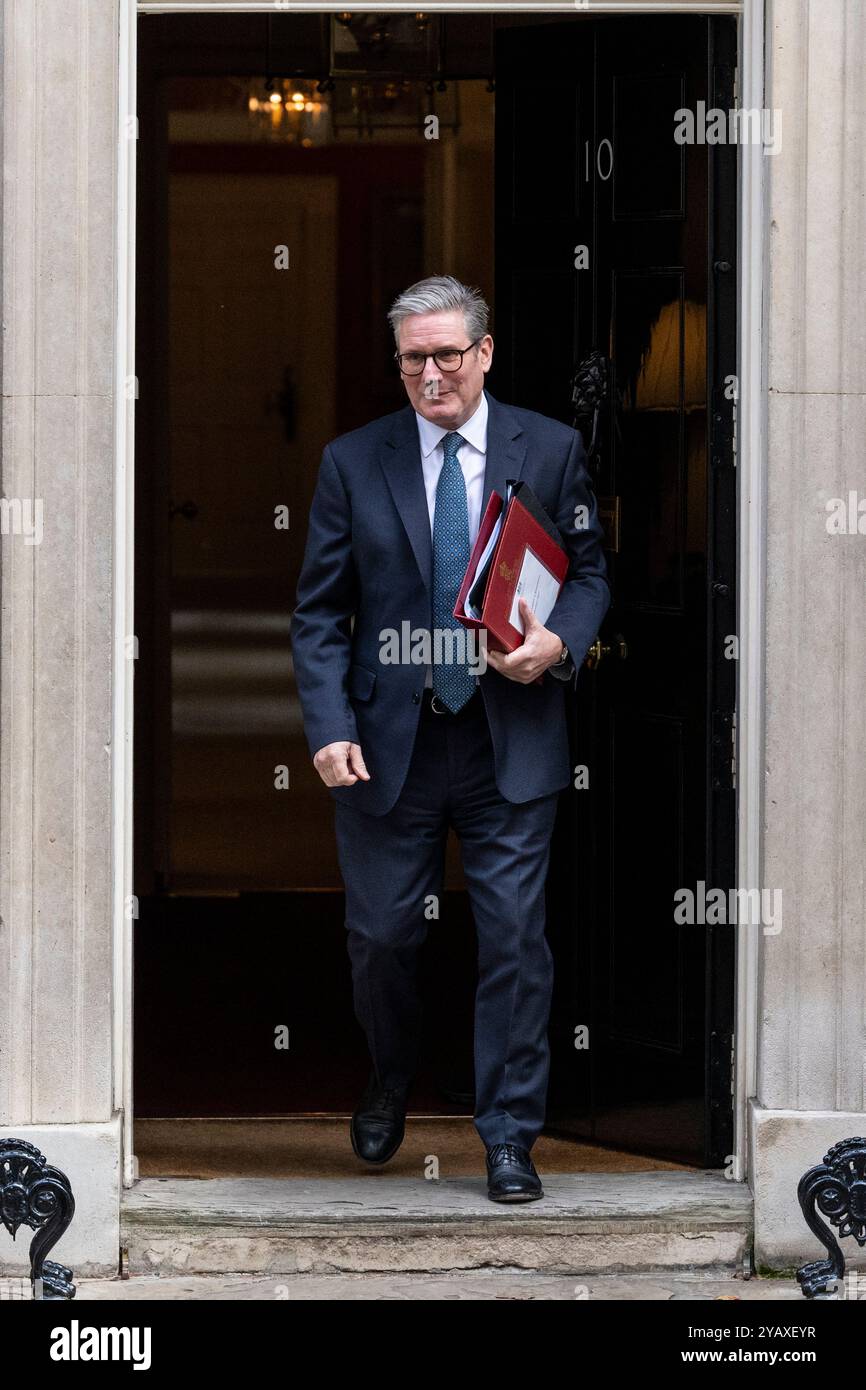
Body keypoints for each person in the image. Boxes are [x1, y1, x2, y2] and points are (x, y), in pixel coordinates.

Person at [290, 275, 610, 1201]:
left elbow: (588, 575)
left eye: (445, 356)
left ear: (485, 353)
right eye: (412, 360)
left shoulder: (548, 449)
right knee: (383, 938)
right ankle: (391, 1073)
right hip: (389, 745)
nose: (430, 375)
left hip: (510, 739)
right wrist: (327, 728)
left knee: (515, 937)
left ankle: (509, 1136)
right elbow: (318, 613)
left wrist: (559, 644)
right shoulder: (354, 462)